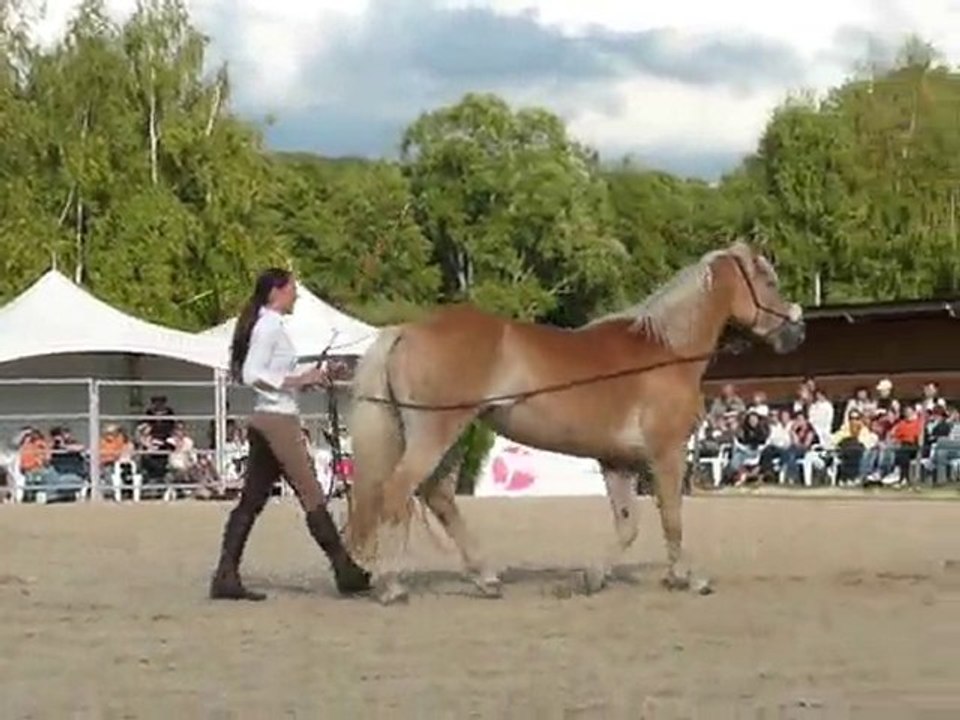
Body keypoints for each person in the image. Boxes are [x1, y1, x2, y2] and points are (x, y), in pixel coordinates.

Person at [208, 267, 371, 601]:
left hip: (267, 417)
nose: (295, 294)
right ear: (277, 292)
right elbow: (253, 373)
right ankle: (345, 570)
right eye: (292, 289)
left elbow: (271, 373)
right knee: (311, 494)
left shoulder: (268, 325)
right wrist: (299, 381)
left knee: (251, 500)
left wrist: (314, 376)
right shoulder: (268, 327)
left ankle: (226, 574)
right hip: (278, 421)